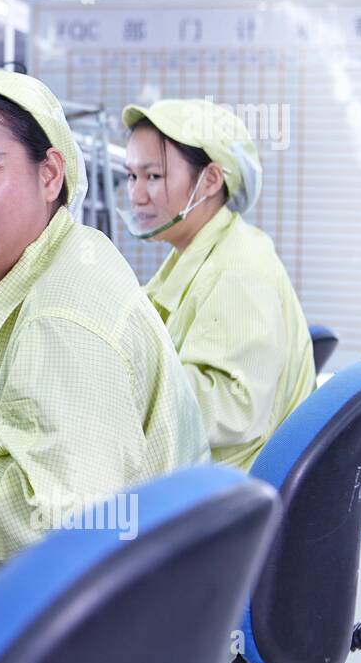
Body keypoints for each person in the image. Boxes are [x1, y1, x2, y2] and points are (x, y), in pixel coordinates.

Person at [0, 70, 209, 585]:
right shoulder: (72, 258)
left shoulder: (61, 315)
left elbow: (54, 525)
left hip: (84, 639)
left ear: (49, 175)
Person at [121, 99, 315, 471]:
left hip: (221, 495)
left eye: (153, 176)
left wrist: (116, 383)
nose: (136, 195)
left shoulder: (237, 270)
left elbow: (234, 409)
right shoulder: (197, 252)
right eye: (131, 176)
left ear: (210, 180)